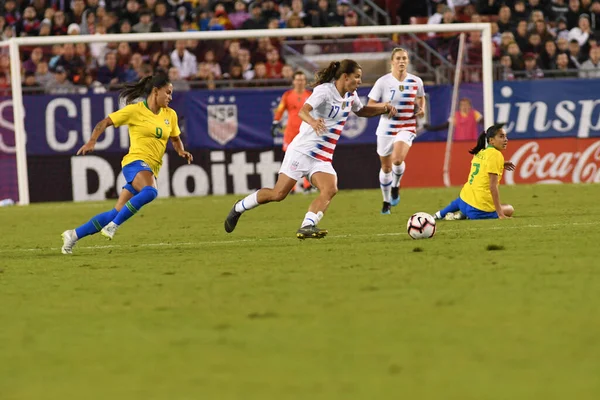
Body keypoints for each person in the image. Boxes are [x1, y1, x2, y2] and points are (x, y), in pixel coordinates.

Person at [224, 59, 397, 239]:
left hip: (322, 156)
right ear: (345, 77)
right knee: (278, 194)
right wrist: (313, 122)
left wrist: (383, 109)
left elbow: (361, 111)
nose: (360, 81)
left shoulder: (350, 97)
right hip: (302, 151)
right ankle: (239, 207)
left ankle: (307, 225)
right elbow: (303, 111)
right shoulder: (324, 91)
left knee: (330, 189)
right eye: (357, 77)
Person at [60, 72, 193, 254]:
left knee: (116, 211)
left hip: (151, 167)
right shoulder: (135, 111)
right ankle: (114, 226)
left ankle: (73, 235)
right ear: (156, 91)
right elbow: (104, 122)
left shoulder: (171, 115)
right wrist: (92, 141)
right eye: (168, 92)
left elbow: (175, 138)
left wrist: (181, 151)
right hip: (134, 163)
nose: (170, 97)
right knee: (151, 191)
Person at [367, 47, 425, 215]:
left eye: (404, 58)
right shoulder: (383, 82)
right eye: (398, 58)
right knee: (386, 168)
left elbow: (421, 98)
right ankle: (386, 201)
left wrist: (421, 109)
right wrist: (385, 106)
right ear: (392, 62)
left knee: (397, 160)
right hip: (386, 128)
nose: (401, 61)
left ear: (407, 61)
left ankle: (396, 186)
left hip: (406, 126)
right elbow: (370, 104)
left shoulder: (416, 81)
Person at [434, 123, 515, 221]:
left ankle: (438, 215)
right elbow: (493, 187)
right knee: (509, 209)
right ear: (491, 140)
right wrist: (500, 214)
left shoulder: (480, 152)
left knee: (464, 196)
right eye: (501, 136)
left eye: (506, 137)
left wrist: (501, 163)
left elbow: (483, 168)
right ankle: (465, 215)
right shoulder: (496, 155)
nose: (506, 139)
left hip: (463, 200)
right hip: (478, 210)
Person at [271, 70, 313, 193]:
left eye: (302, 79)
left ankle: (307, 185)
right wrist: (275, 122)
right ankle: (291, 187)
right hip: (290, 132)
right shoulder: (287, 95)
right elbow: (280, 110)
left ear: (305, 81)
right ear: (293, 81)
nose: (300, 82)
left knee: (307, 157)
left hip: (306, 132)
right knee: (289, 159)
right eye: (298, 79)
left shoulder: (311, 96)